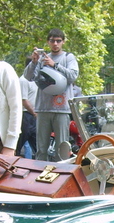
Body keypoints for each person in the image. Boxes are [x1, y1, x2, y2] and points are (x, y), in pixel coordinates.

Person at [24, 28, 79, 161]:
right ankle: (40, 172)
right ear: (48, 42)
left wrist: (55, 65)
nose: (55, 44)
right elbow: (28, 77)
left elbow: (73, 75)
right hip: (43, 109)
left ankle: (62, 172)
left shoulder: (68, 57)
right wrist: (34, 62)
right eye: (52, 41)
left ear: (63, 42)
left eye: (58, 41)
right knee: (41, 148)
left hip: (62, 109)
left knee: (62, 149)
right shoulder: (42, 59)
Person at [17, 74, 37, 158]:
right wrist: (34, 113)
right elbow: (23, 100)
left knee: (38, 147)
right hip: (25, 116)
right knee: (17, 145)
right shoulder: (23, 80)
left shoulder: (36, 80)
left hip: (34, 117)